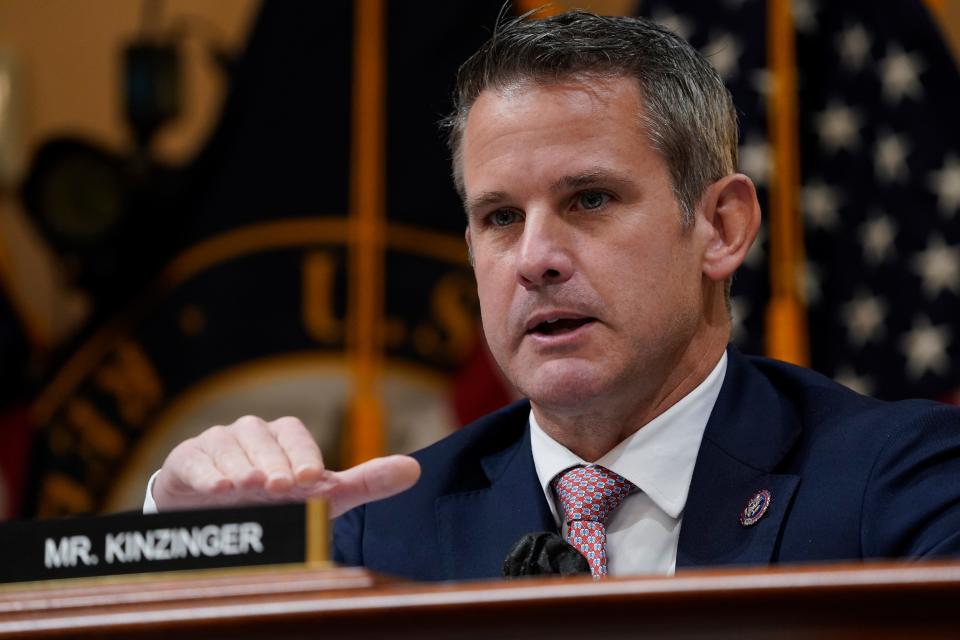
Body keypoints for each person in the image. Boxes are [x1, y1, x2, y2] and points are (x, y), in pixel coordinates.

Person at [146, 11, 960, 581]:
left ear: (721, 227)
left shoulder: (901, 487)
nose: (534, 258)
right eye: (499, 216)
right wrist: (185, 543)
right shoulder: (386, 526)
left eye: (590, 200)